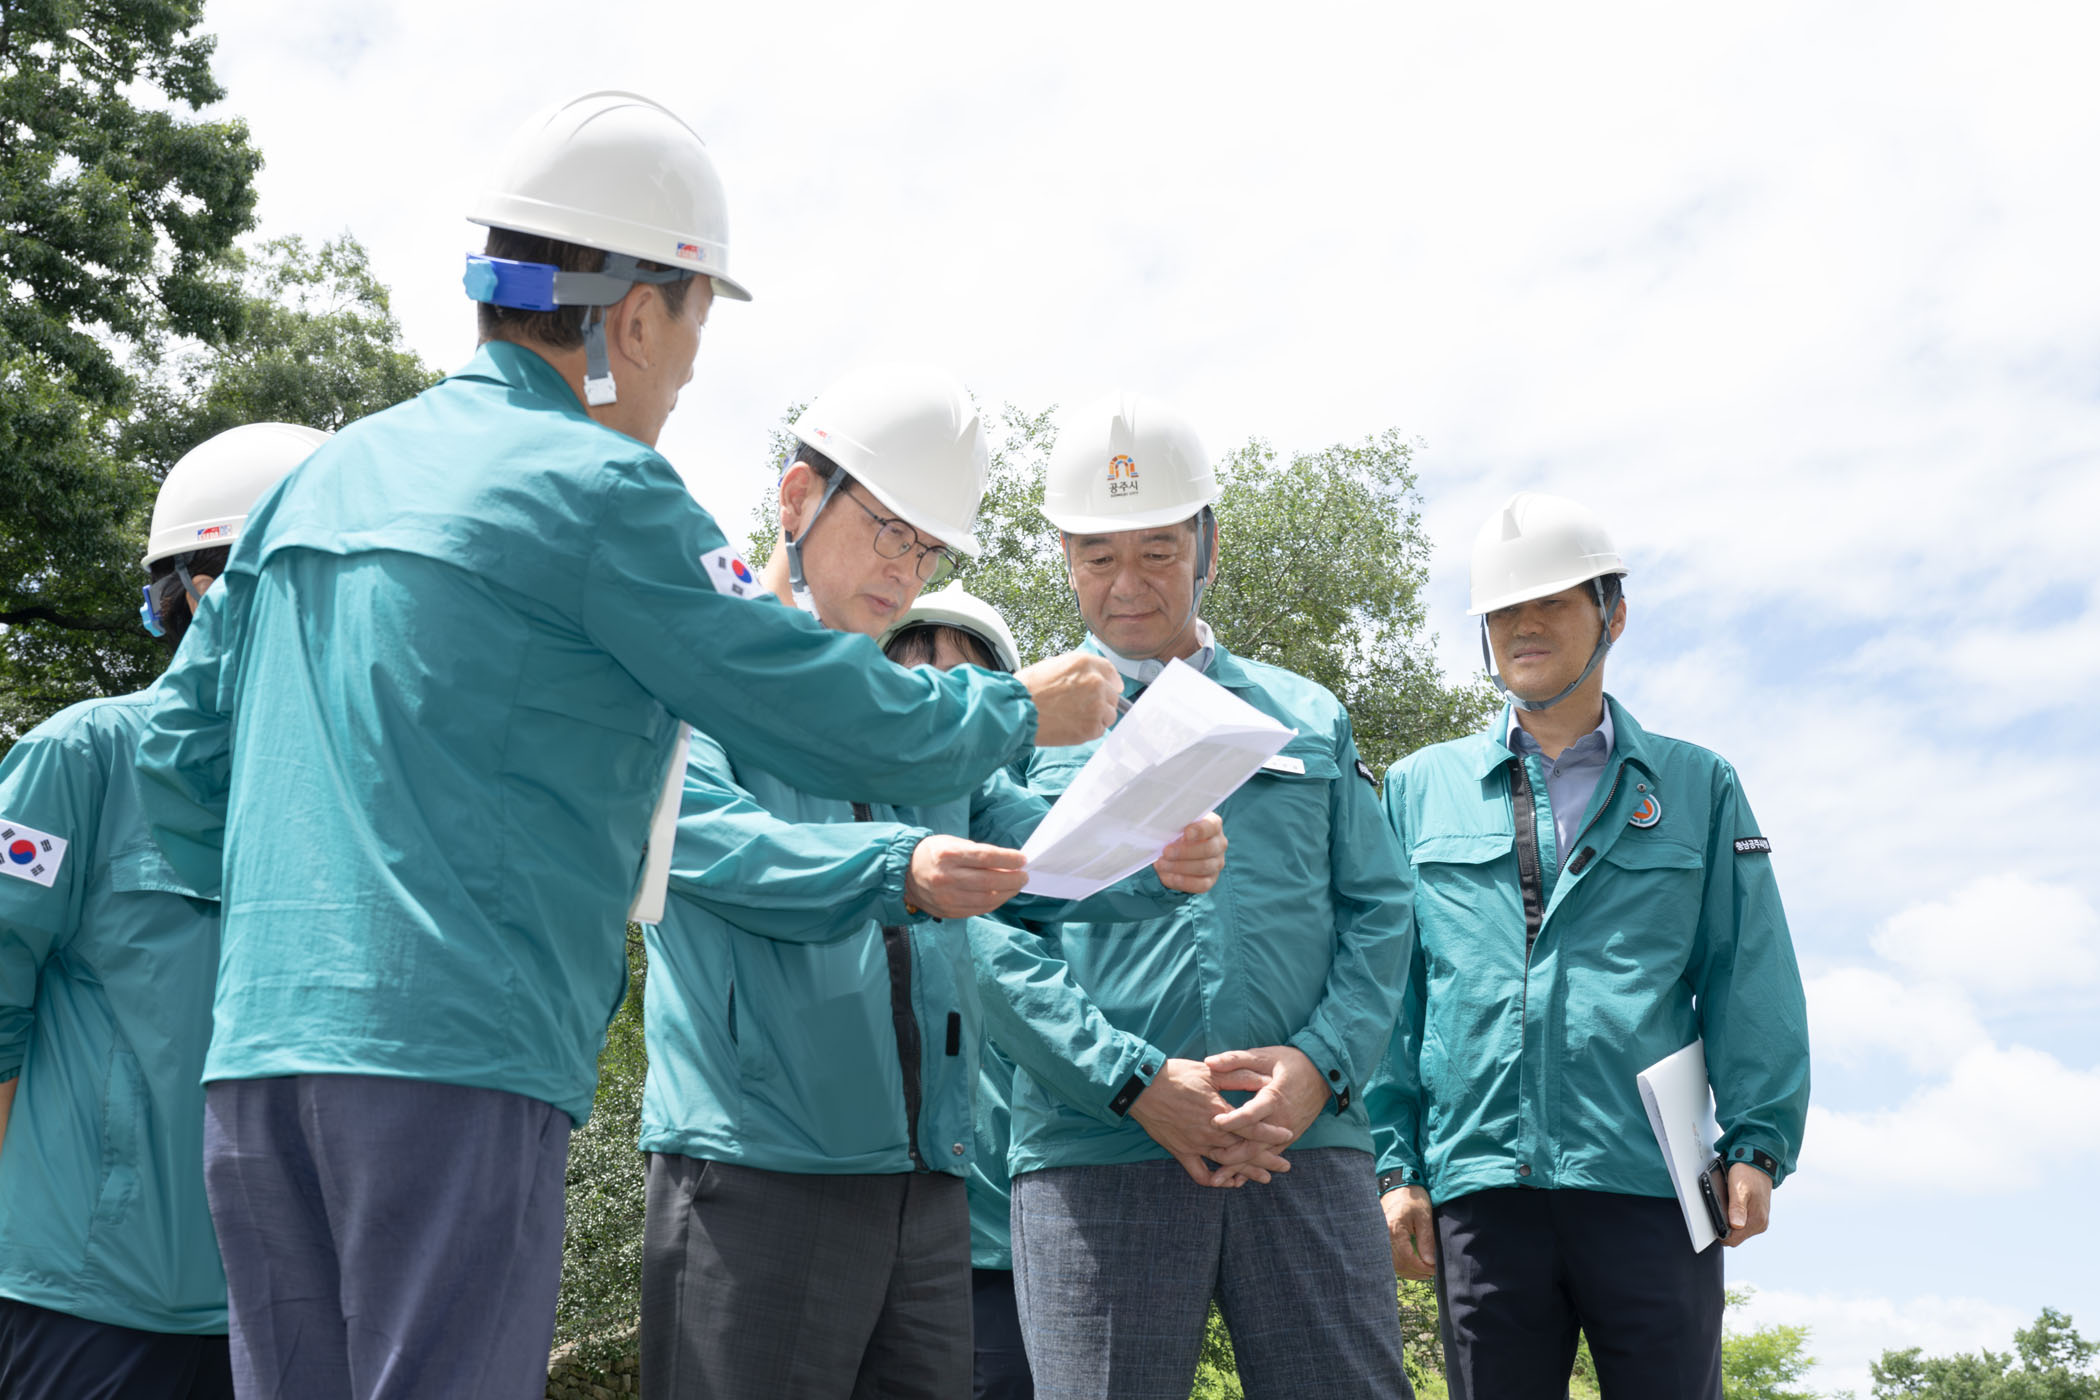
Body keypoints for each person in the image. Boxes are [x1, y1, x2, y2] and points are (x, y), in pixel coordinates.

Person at [132, 97, 1120, 1400]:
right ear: (639, 317)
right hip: (455, 1060)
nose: (683, 380)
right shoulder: (595, 487)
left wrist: (309, 917)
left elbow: (178, 765)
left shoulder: (316, 483)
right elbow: (812, 702)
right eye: (695, 339)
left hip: (257, 1062)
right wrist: (1013, 711)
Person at [636, 369, 1225, 1400]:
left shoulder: (916, 711)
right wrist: (897, 869)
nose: (906, 570)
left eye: (928, 549)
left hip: (927, 1182)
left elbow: (1035, 852)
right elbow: (716, 846)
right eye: (888, 531)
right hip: (752, 1167)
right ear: (796, 499)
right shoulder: (691, 661)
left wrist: (1152, 858)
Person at [975, 392, 1416, 1400]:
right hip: (1095, 1148)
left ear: (1208, 546)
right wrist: (1131, 1081)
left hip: (1299, 1143)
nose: (1127, 583)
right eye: (1098, 555)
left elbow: (1381, 910)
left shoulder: (1307, 715)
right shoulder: (1017, 726)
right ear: (1065, 559)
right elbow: (988, 938)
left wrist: (1319, 1069)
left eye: (1158, 551)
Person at [1364, 491, 1811, 1400]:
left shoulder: (1698, 786)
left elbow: (1748, 970)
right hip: (1480, 1182)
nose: (1524, 626)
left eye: (1552, 603)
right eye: (1503, 611)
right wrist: (1394, 1163)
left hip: (1652, 1182)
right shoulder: (1416, 790)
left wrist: (1758, 1142)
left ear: (1614, 615)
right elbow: (1388, 992)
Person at [0, 424, 326, 1400]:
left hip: (299, 1305)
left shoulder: (356, 795)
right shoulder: (81, 759)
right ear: (204, 594)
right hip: (91, 1303)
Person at [882, 585, 1035, 1400]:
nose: (941, 702)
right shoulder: (869, 830)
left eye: (965, 684)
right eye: (916, 679)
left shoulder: (1029, 833)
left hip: (1020, 1233)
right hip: (919, 1228)